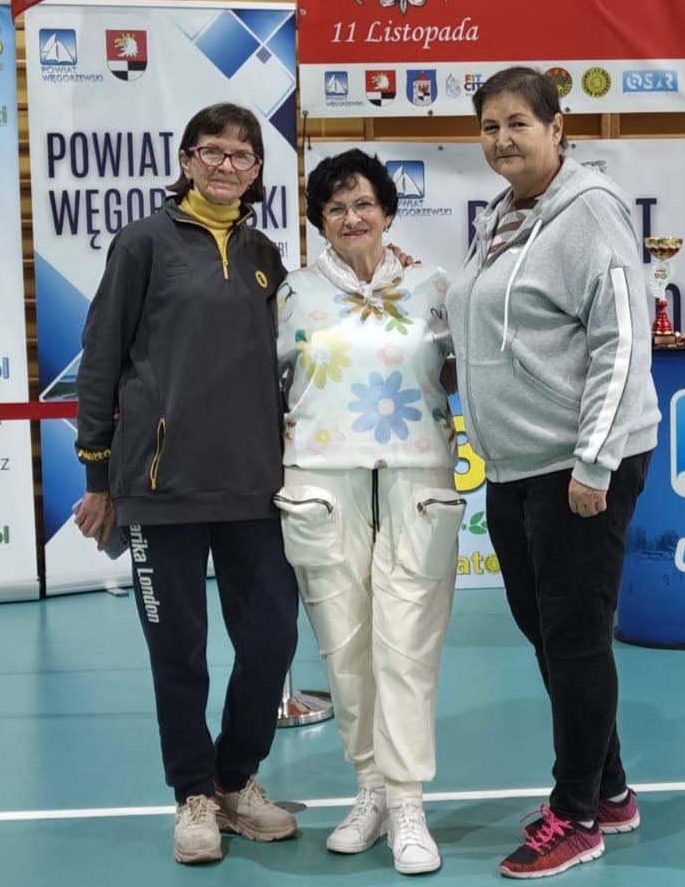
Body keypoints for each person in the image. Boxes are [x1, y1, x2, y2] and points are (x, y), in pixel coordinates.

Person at [443, 66, 660, 879]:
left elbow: (623, 339)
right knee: (546, 630)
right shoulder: (505, 214)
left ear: (557, 128)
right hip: (516, 465)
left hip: (578, 466)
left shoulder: (589, 211)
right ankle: (609, 790)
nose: (502, 139)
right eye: (489, 126)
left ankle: (576, 817)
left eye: (518, 123)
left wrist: (595, 461)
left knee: (573, 638)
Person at [73, 102, 299, 866]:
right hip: (158, 485)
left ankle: (235, 780)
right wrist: (98, 474)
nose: (227, 166)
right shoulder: (143, 243)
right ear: (186, 159)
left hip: (254, 486)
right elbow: (100, 358)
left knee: (271, 639)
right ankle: (193, 795)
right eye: (213, 152)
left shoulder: (266, 255)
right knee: (180, 653)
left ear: (258, 169)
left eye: (243, 155)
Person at [275, 148, 463, 876]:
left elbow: (463, 370)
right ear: (319, 221)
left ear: (387, 211)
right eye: (335, 208)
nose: (351, 218)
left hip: (417, 475)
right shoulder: (292, 293)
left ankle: (408, 803)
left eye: (363, 204)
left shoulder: (432, 286)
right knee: (345, 646)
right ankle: (371, 790)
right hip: (321, 481)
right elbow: (262, 383)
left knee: (407, 643)